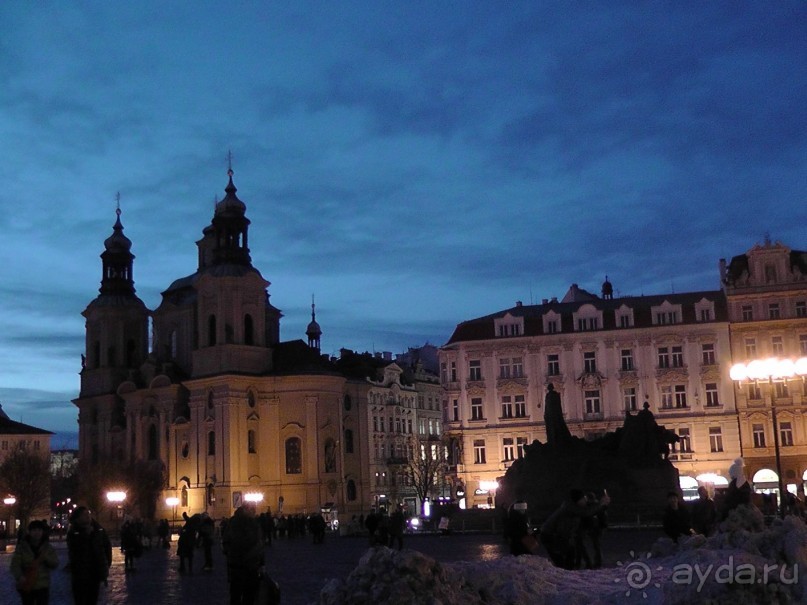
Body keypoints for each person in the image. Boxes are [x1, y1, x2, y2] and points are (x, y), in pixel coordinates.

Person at [541, 489, 610, 569]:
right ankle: (565, 573)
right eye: (583, 499)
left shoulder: (576, 507)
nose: (585, 501)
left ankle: (567, 572)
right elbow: (586, 512)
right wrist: (601, 503)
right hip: (550, 536)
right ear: (578, 500)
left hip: (556, 536)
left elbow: (592, 509)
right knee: (565, 556)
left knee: (569, 553)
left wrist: (604, 505)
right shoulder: (570, 507)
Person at [66, 507, 112, 605]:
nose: (87, 516)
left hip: (95, 572)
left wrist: (106, 564)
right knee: (80, 600)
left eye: (88, 513)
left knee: (93, 599)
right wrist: (86, 535)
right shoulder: (74, 531)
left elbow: (107, 546)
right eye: (84, 514)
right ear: (78, 518)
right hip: (80, 573)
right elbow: (75, 549)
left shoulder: (98, 529)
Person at [224, 503, 265, 605]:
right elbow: (257, 544)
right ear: (245, 510)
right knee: (243, 596)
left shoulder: (235, 522)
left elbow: (226, 543)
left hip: (241, 565)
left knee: (241, 595)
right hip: (244, 565)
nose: (254, 512)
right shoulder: (244, 524)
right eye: (252, 510)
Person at [10, 519, 59, 605]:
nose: (37, 532)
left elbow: (55, 563)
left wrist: (45, 558)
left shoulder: (47, 547)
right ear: (29, 532)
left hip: (42, 585)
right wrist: (19, 576)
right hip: (27, 583)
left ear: (43, 532)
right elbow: (15, 564)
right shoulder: (22, 547)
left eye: (39, 530)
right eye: (34, 530)